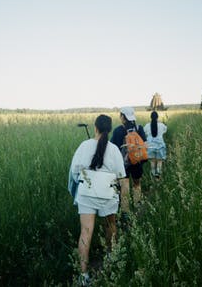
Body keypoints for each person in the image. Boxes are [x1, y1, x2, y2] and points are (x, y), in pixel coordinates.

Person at [68, 115, 126, 286]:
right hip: (108, 193)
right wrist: (125, 201)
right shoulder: (114, 149)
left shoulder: (84, 146)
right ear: (109, 129)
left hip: (86, 191)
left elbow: (74, 172)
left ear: (95, 127)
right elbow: (121, 176)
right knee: (110, 225)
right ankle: (110, 256)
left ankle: (83, 276)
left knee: (85, 232)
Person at [110, 107, 147, 213]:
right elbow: (144, 144)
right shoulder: (139, 128)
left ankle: (126, 212)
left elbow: (113, 148)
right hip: (137, 162)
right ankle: (137, 204)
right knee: (137, 183)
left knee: (124, 187)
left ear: (123, 117)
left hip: (123, 164)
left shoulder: (118, 130)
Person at [143, 111, 167, 179]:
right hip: (160, 145)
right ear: (157, 117)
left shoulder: (147, 125)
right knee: (159, 162)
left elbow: (144, 132)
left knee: (152, 162)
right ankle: (158, 177)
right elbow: (165, 130)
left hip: (150, 146)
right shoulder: (162, 125)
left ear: (150, 117)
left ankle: (153, 177)